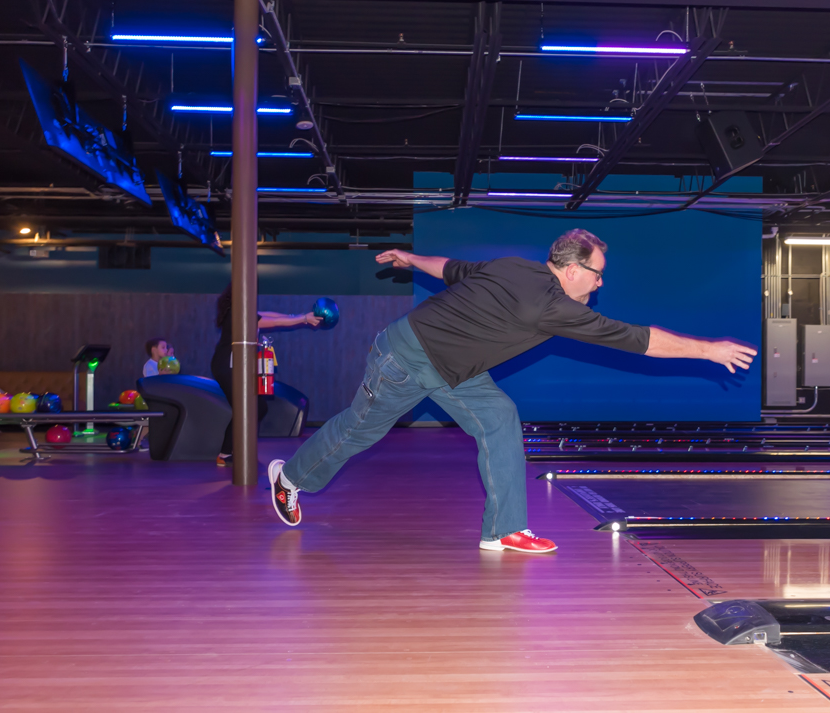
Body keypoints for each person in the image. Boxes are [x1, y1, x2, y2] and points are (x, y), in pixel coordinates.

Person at [267, 229, 757, 554]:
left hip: (455, 369)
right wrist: (707, 349)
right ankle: (289, 478)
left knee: (499, 417)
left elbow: (451, 267)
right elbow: (638, 339)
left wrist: (410, 257)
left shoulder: (514, 265)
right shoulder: (554, 307)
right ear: (571, 271)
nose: (600, 281)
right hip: (406, 358)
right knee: (359, 432)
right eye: (596, 273)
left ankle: (504, 529)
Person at [211, 283, 322, 466]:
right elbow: (272, 321)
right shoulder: (236, 313)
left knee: (257, 407)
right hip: (227, 365)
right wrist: (303, 318)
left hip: (236, 366)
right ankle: (225, 454)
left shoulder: (241, 311)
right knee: (247, 408)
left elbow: (271, 315)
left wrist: (301, 317)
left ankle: (232, 450)